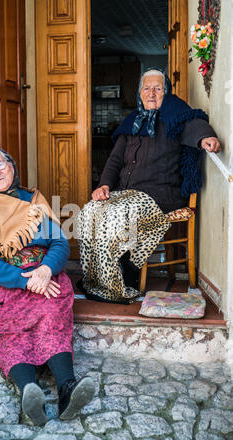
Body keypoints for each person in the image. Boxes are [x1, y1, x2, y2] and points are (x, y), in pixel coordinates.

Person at [0, 147, 95, 426]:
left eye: (1, 164)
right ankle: (28, 393)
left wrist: (45, 270)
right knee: (11, 318)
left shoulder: (32, 200)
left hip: (44, 275)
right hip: (6, 279)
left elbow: (58, 242)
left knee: (53, 306)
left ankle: (67, 389)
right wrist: (26, 280)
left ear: (12, 165)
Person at [88, 68, 221, 292]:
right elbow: (114, 160)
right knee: (95, 209)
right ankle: (105, 275)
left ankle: (126, 275)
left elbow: (194, 123)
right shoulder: (132, 121)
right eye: (147, 89)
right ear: (140, 93)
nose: (152, 94)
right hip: (127, 193)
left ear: (166, 92)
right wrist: (104, 185)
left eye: (158, 89)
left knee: (125, 212)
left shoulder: (175, 114)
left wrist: (205, 137)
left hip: (162, 193)